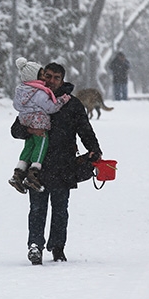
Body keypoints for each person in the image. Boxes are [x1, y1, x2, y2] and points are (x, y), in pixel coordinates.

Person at [11, 62, 102, 265]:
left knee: (60, 210)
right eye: (48, 76)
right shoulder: (33, 99)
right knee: (37, 209)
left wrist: (95, 150)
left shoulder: (72, 104)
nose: (51, 81)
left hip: (64, 165)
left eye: (56, 77)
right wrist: (30, 131)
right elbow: (15, 130)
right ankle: (35, 246)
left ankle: (58, 248)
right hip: (39, 166)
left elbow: (85, 130)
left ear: (62, 80)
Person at [9, 57, 71, 194]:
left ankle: (18, 173)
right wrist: (61, 101)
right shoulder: (39, 92)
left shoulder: (22, 89)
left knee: (29, 146)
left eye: (56, 78)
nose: (47, 80)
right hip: (39, 123)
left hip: (25, 119)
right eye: (45, 75)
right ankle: (33, 173)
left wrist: (28, 127)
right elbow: (50, 108)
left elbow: (16, 106)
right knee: (42, 144)